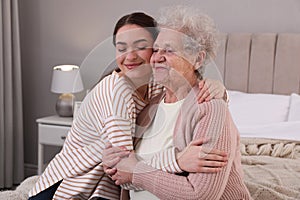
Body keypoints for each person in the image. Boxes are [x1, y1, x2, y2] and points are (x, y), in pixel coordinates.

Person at [28, 12, 227, 200]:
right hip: (69, 188)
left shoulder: (155, 85)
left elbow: (185, 81)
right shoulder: (116, 91)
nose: (129, 56)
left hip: (104, 190)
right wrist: (178, 160)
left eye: (140, 47)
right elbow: (123, 166)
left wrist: (216, 88)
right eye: (121, 49)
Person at [105, 6, 252, 200]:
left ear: (198, 59)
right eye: (156, 49)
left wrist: (137, 172)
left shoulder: (211, 108)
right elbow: (124, 170)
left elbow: (201, 194)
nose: (157, 58)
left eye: (169, 51)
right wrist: (114, 162)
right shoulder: (150, 106)